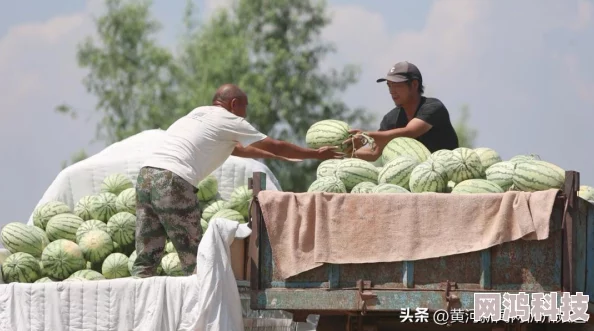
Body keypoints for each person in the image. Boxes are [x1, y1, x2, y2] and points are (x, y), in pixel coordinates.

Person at [131, 84, 344, 277]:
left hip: (146, 177)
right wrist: (315, 154)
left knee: (146, 257)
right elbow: (275, 144)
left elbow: (239, 150)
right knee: (195, 259)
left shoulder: (198, 114)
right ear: (234, 104)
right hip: (173, 180)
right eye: (245, 107)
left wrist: (282, 157)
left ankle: (138, 311)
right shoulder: (230, 119)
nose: (246, 113)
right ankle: (201, 316)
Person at [345, 61, 459, 160]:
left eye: (396, 85)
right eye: (389, 85)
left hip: (448, 173)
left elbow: (410, 132)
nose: (391, 91)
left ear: (414, 84)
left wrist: (366, 135)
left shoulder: (433, 107)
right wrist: (340, 152)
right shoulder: (390, 119)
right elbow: (373, 152)